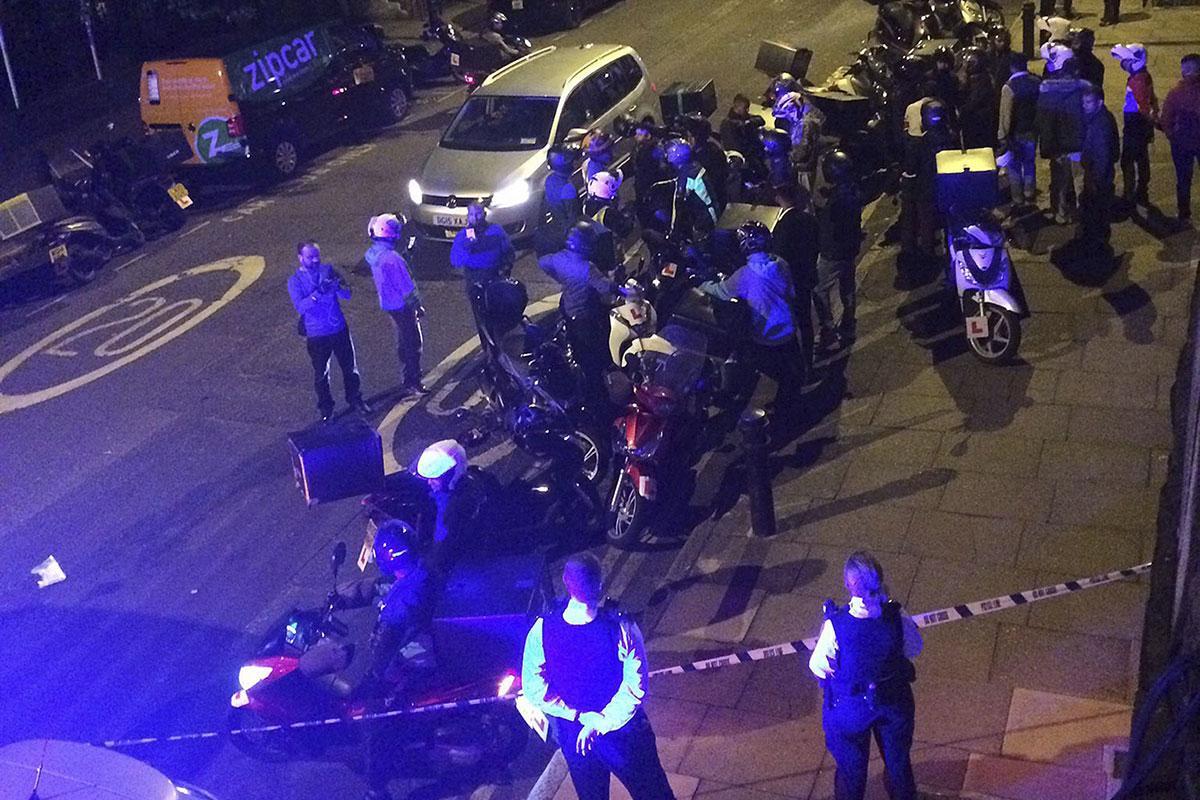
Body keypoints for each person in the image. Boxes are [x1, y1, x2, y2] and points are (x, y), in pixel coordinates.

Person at [522, 554, 676, 800]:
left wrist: (579, 717)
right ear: (600, 584)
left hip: (576, 737)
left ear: (565, 582)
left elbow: (534, 688)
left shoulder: (541, 631)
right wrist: (601, 722)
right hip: (624, 736)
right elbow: (635, 687)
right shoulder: (621, 627)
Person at [809, 551, 923, 800]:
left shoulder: (836, 625)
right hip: (894, 704)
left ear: (848, 585)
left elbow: (817, 666)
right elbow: (915, 647)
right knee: (899, 766)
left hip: (850, 710)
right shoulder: (896, 615)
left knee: (851, 773)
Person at [338, 521, 435, 800]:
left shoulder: (399, 605)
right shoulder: (419, 572)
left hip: (414, 663)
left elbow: (382, 653)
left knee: (376, 723)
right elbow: (384, 587)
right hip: (419, 649)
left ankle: (377, 788)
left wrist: (375, 677)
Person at [701, 220, 804, 423]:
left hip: (766, 335)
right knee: (791, 371)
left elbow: (721, 291)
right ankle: (789, 401)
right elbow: (791, 291)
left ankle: (784, 412)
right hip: (789, 328)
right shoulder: (781, 263)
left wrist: (703, 282)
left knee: (770, 370)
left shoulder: (744, 275)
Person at [538, 221, 622, 403]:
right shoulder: (587, 268)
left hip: (568, 312)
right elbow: (606, 287)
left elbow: (543, 262)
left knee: (580, 354)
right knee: (595, 360)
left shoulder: (559, 259)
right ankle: (597, 398)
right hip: (586, 319)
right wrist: (623, 290)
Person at [288, 241, 370, 422]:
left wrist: (338, 287)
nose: (315, 260)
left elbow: (347, 295)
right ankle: (326, 409)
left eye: (317, 255)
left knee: (350, 368)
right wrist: (318, 293)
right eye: (310, 257)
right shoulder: (295, 281)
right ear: (300, 258)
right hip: (317, 335)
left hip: (339, 328)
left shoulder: (329, 270)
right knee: (321, 375)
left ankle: (355, 399)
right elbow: (300, 307)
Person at [365, 214, 426, 398]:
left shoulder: (374, 254)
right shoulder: (392, 258)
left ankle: (406, 377)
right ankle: (413, 382)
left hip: (389, 304)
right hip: (403, 306)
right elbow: (406, 287)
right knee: (413, 343)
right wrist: (417, 306)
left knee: (402, 341)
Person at [814, 151, 864, 353]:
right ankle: (849, 321)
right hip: (849, 248)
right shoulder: (852, 190)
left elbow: (831, 224)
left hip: (832, 252)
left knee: (819, 289)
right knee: (847, 284)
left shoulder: (837, 203)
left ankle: (828, 331)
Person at [771, 181, 820, 378]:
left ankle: (797, 368)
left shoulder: (781, 226)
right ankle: (809, 363)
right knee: (806, 322)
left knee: (791, 325)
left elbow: (779, 256)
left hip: (790, 282)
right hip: (806, 276)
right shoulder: (809, 220)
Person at [1036, 43, 1089, 223]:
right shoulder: (1084, 87)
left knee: (1059, 181)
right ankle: (1082, 211)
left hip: (1058, 145)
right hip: (1078, 143)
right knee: (1080, 180)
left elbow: (1043, 121)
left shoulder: (1047, 89)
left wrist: (1046, 145)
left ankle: (1060, 212)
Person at [900, 101, 953, 270]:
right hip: (948, 187)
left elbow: (911, 168)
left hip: (927, 190)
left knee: (926, 222)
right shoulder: (950, 138)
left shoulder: (919, 143)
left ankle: (928, 254)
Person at [1111, 43, 1159, 206]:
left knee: (1128, 160)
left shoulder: (1137, 80)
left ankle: (1131, 193)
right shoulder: (1143, 75)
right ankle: (1141, 191)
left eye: (1126, 60)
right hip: (1141, 126)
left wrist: (1155, 122)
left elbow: (1143, 106)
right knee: (1142, 158)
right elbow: (1151, 99)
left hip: (1135, 125)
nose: (1123, 64)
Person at [1076, 83, 1120, 253]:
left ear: (1099, 103)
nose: (1084, 106)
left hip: (1098, 177)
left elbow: (1102, 157)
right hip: (1098, 174)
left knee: (1096, 209)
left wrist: (1095, 181)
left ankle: (1096, 242)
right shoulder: (1100, 117)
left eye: (1088, 102)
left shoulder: (1100, 126)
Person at [998, 53, 1042, 208]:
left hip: (1015, 133)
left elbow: (1006, 114)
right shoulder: (1036, 82)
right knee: (1030, 163)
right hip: (1032, 131)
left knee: (1014, 166)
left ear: (1012, 67)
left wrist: (1002, 135)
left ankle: (1018, 197)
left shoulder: (1009, 87)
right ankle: (1030, 193)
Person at [1160, 53, 1200, 224]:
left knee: (1183, 179)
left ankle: (1184, 212)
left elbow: (1166, 119)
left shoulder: (1177, 92)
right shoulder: (1177, 91)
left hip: (1182, 143)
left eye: (1186, 69)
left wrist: (1171, 135)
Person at [450, 202, 515, 288]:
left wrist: (506, 268)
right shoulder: (463, 235)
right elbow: (456, 260)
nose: (475, 218)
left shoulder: (496, 230)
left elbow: (508, 251)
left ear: (484, 214)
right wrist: (468, 245)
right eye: (472, 215)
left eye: (478, 214)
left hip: (495, 273)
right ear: (468, 216)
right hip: (474, 277)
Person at [539, 143, 583, 256]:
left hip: (555, 228)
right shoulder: (568, 188)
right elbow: (573, 217)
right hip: (566, 232)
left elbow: (544, 205)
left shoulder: (550, 179)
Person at [682, 113, 729, 213]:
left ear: (695, 138)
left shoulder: (699, 158)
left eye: (689, 136)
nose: (688, 140)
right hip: (718, 200)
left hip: (708, 208)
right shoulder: (714, 148)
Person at [958, 48, 999, 149]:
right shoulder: (970, 80)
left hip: (981, 128)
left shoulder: (984, 81)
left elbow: (971, 105)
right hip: (971, 128)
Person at [720, 93, 765, 164]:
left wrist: (749, 122)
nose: (748, 110)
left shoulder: (743, 117)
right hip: (744, 158)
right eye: (746, 108)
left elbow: (760, 120)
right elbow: (734, 146)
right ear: (739, 107)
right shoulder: (728, 125)